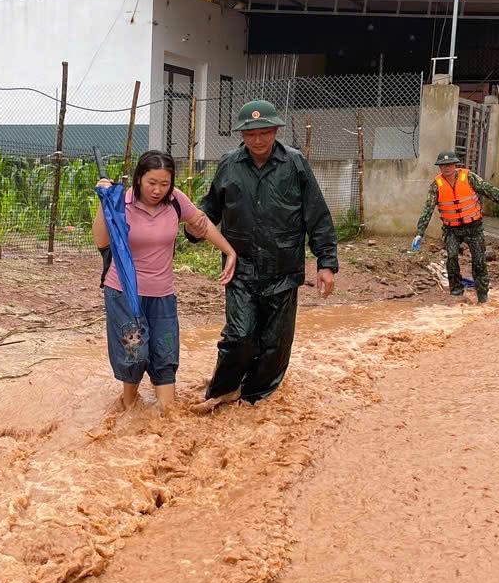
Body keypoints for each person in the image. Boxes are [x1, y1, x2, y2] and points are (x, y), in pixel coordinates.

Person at [194, 99, 339, 407]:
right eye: (250, 134)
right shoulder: (229, 165)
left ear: (275, 131)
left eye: (264, 132)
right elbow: (210, 208)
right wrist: (195, 226)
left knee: (275, 344)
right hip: (241, 268)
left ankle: (254, 398)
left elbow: (317, 216)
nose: (257, 140)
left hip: (283, 268)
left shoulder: (295, 164)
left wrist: (326, 263)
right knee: (239, 337)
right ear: (242, 135)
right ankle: (222, 391)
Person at [94, 150, 236, 411]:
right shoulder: (120, 202)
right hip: (124, 293)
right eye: (151, 183)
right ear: (139, 179)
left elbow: (202, 224)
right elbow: (101, 241)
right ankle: (129, 402)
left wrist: (229, 251)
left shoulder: (175, 201)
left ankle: (162, 415)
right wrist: (105, 203)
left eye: (164, 183)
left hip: (162, 295)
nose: (158, 190)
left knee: (165, 353)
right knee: (135, 354)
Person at [411, 150, 499, 305]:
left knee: (479, 260)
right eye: (443, 165)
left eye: (450, 164)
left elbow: (490, 191)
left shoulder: (469, 178)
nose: (447, 168)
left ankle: (482, 294)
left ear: (455, 165)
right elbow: (428, 209)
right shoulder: (436, 186)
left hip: (474, 227)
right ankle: (456, 290)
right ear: (439, 167)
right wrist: (420, 232)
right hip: (452, 229)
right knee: (452, 256)